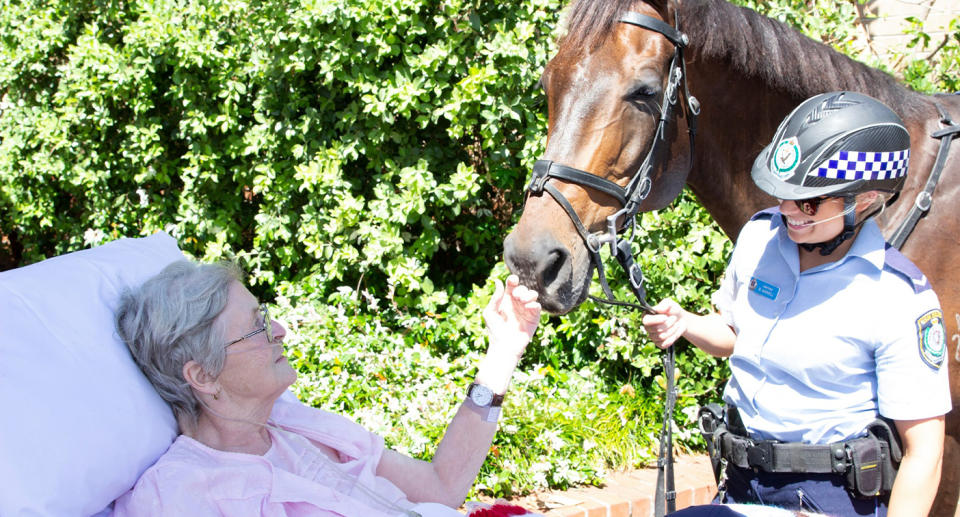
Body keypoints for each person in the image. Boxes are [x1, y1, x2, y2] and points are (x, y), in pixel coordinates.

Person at [642, 91, 950, 516]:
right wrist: (686, 323)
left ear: (864, 199)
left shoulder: (896, 296)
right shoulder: (759, 237)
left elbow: (925, 453)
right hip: (741, 481)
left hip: (828, 497)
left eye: (807, 201)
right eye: (782, 193)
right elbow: (734, 335)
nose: (787, 209)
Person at [112, 259, 541, 517]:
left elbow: (441, 487)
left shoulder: (296, 428)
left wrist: (504, 350)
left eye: (267, 316)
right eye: (255, 328)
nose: (279, 330)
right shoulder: (177, 496)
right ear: (203, 376)